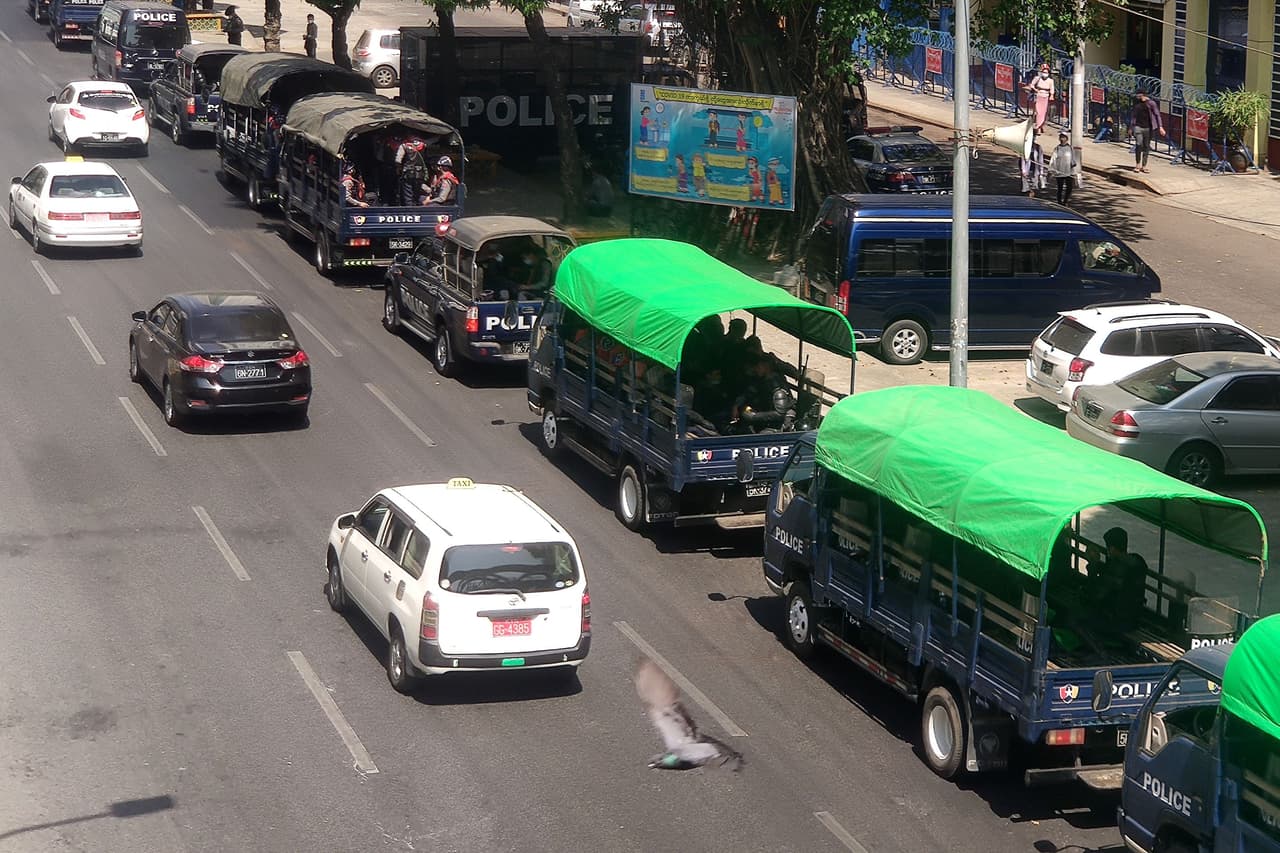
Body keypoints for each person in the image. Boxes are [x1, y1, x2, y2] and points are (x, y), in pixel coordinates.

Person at [1084, 527, 1149, 629]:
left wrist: (1093, 565)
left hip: (1117, 620)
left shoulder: (1117, 568)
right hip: (1134, 616)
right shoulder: (1137, 561)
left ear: (1112, 549)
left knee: (1078, 618)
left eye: (1108, 547)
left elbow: (1096, 594)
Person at [1131, 89, 1166, 173]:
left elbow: (1157, 115)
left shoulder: (1151, 103)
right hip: (1138, 127)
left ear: (1142, 95)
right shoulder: (1136, 103)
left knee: (1146, 146)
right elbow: (1134, 116)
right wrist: (1131, 127)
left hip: (1149, 128)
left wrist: (1160, 127)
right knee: (1139, 144)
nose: (1137, 96)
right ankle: (1137, 164)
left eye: (1138, 95)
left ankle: (1144, 166)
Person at [1048, 132, 1080, 205]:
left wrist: (1074, 170)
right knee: (1060, 188)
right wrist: (1051, 170)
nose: (1062, 139)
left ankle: (1065, 201)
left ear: (1067, 139)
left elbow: (1073, 159)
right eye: (1061, 137)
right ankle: (1059, 202)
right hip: (1059, 171)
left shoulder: (1070, 148)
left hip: (1069, 171)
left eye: (1064, 137)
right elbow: (1053, 159)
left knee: (1069, 187)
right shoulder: (1057, 148)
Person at [1022, 62, 1055, 134]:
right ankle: (1038, 127)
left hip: (1046, 96)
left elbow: (1052, 88)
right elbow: (1031, 85)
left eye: (1046, 72)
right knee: (1039, 112)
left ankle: (1041, 125)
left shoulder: (1050, 81)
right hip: (1038, 95)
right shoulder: (1037, 78)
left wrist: (1052, 95)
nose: (1045, 74)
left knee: (1044, 112)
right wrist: (1035, 89)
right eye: (1044, 72)